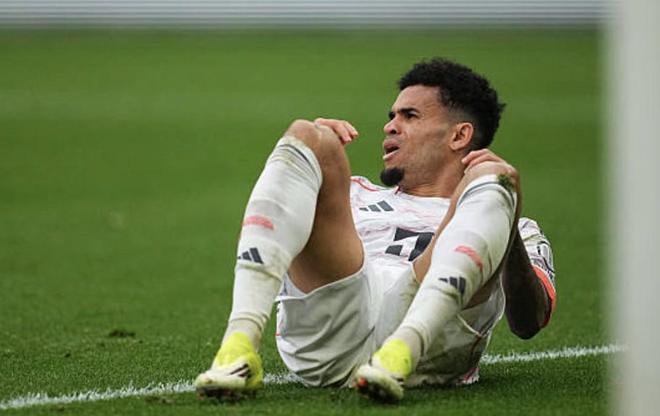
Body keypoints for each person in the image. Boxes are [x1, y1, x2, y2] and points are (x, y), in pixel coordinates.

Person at [194, 58, 556, 402]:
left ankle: (404, 347)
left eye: (409, 116)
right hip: (332, 329)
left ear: (459, 135)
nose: (390, 126)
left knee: (497, 177)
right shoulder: (352, 193)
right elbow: (277, 221)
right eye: (392, 116)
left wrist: (504, 214)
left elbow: (529, 322)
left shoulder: (517, 225)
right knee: (307, 134)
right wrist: (312, 155)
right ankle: (238, 347)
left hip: (432, 346)